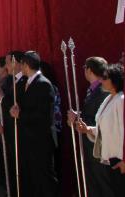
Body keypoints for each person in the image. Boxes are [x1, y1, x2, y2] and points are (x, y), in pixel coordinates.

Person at [76, 63, 125, 196]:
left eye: (106, 77)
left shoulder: (121, 100)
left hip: (120, 159)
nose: (102, 80)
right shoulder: (108, 98)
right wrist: (88, 129)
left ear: (114, 80)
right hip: (109, 158)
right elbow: (105, 129)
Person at [9, 50, 58, 197]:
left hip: (40, 140)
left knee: (44, 178)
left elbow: (43, 115)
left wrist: (21, 114)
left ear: (26, 65)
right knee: (32, 179)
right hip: (27, 139)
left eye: (21, 64)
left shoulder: (43, 84)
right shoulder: (25, 82)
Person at [68, 56, 112, 197]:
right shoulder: (93, 90)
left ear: (90, 70)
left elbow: (100, 119)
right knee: (93, 183)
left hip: (99, 147)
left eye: (85, 68)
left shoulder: (103, 91)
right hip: (91, 146)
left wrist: (77, 119)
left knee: (102, 185)